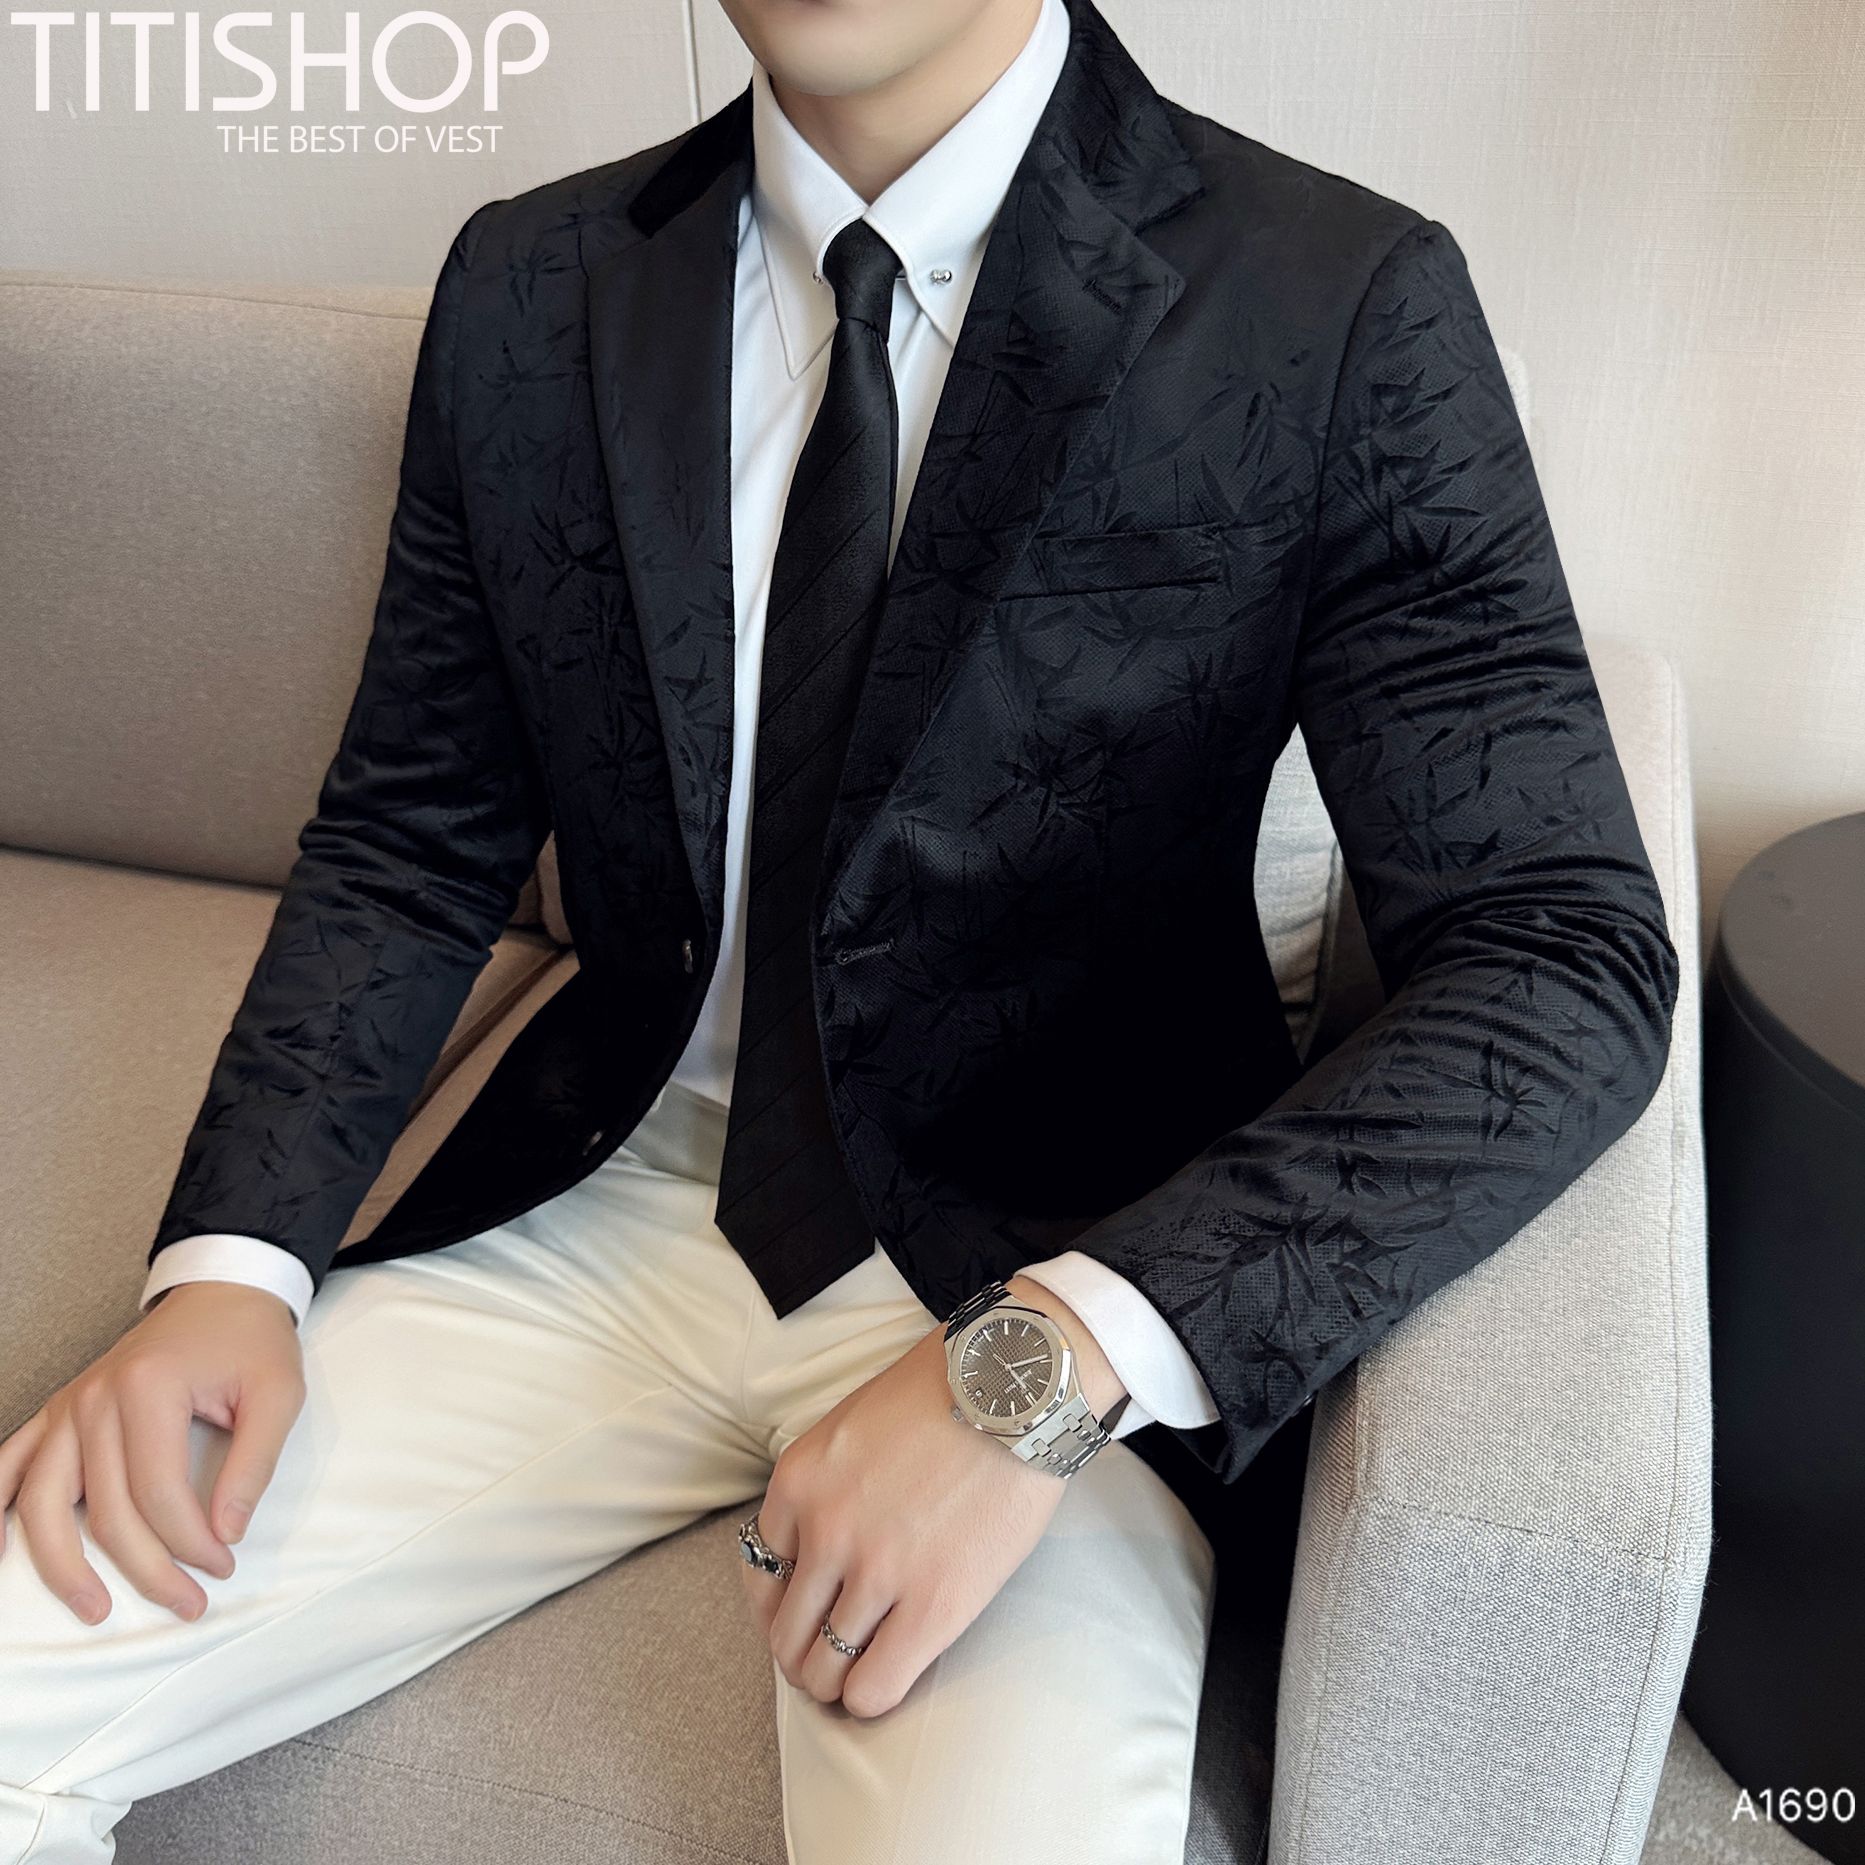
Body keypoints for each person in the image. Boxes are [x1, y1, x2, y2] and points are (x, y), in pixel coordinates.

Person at [0, 0, 1680, 1857]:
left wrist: (1044, 1366)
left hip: (1051, 1245)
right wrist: (230, 1264)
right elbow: (413, 835)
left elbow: (1557, 952)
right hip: (597, 1200)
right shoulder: (531, 283)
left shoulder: (1336, 299)